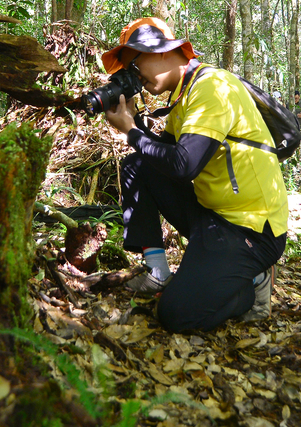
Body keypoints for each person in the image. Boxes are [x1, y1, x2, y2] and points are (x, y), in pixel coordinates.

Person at [100, 17, 289, 331]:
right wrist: (136, 123)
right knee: (138, 165)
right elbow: (165, 155)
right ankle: (158, 270)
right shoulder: (184, 95)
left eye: (135, 67)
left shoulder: (212, 86)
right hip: (213, 217)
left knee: (177, 314)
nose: (136, 78)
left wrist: (131, 132)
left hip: (251, 229)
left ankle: (251, 282)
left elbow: (184, 164)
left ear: (161, 51)